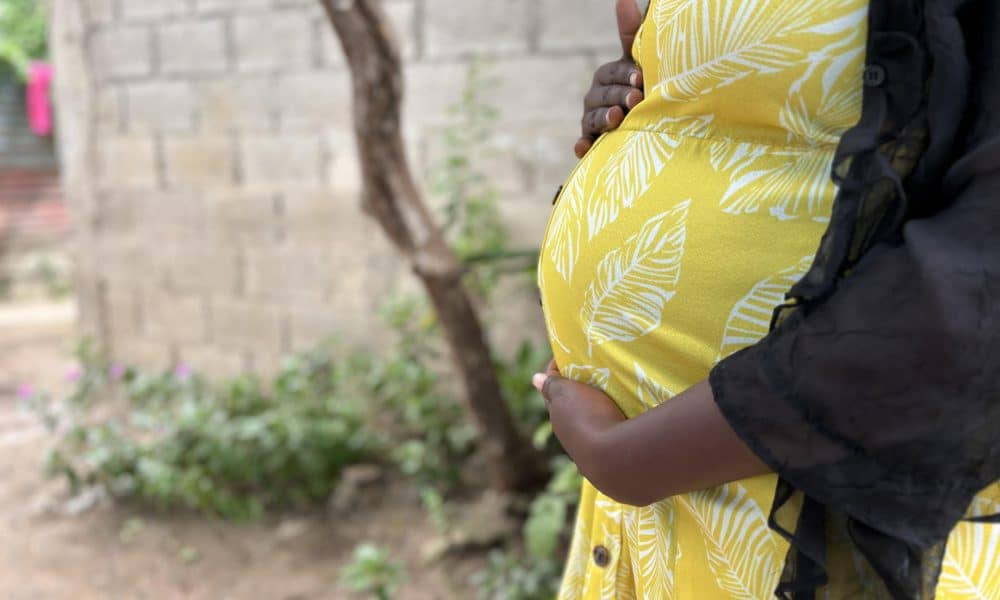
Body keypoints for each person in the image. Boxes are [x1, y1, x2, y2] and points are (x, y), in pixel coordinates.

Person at [532, 0, 1000, 598]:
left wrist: (630, 458)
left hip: (820, 526)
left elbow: (971, 283)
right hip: (657, 521)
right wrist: (648, 96)